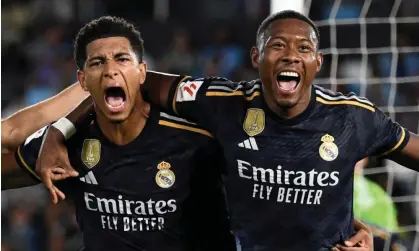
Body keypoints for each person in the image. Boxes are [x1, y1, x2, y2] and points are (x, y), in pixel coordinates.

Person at [38, 10, 419, 251]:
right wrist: (60, 129)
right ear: (256, 58)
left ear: (317, 62)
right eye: (277, 46)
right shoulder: (222, 101)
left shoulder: (352, 116)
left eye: (303, 48)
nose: (290, 55)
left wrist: (358, 231)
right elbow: (126, 80)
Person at [2, 16, 235, 251]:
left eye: (122, 59)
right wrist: (55, 133)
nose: (110, 70)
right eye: (97, 62)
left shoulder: (194, 138)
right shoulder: (65, 143)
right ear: (82, 81)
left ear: (142, 72)